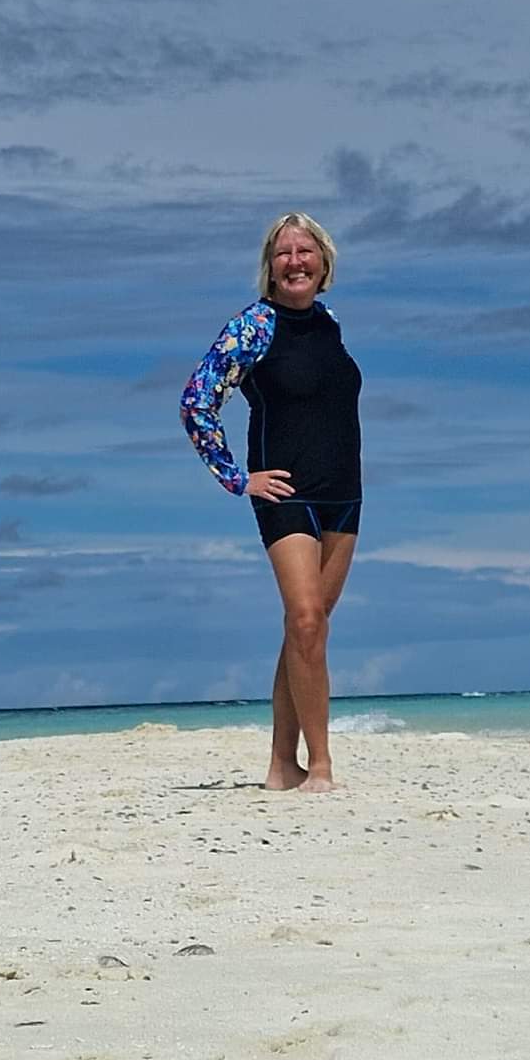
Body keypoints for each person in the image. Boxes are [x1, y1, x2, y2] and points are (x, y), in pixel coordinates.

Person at [180, 211, 362, 793]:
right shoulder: (253, 327)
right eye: (284, 253)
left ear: (324, 262)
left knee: (308, 631)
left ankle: (284, 764)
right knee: (306, 619)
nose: (295, 261)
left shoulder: (331, 324)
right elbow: (197, 402)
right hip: (286, 496)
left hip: (344, 495)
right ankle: (323, 766)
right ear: (270, 267)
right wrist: (238, 478)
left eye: (305, 251)